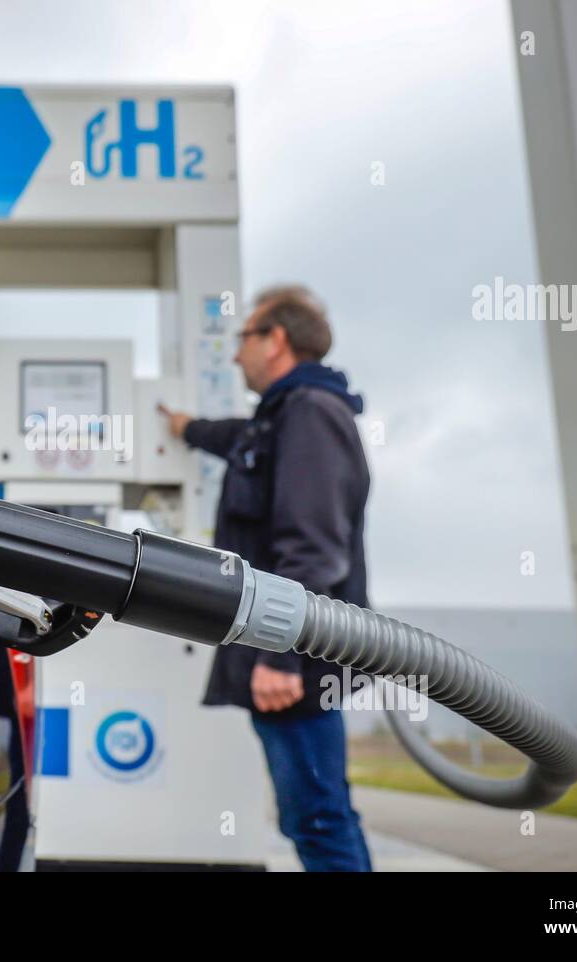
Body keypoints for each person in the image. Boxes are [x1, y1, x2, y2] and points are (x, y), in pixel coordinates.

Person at [159, 285, 373, 872]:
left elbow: (313, 547)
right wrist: (184, 426)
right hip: (293, 648)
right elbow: (236, 440)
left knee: (318, 817)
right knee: (311, 812)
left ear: (275, 340)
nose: (235, 355)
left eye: (243, 339)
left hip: (297, 657)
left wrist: (280, 656)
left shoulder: (309, 413)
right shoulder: (283, 417)